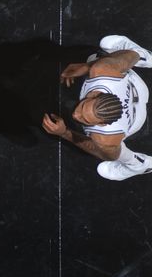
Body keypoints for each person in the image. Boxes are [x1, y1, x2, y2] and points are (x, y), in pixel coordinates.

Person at [42, 35, 152, 181]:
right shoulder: (103, 70)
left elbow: (102, 153)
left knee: (112, 155)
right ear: (95, 96)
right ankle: (148, 58)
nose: (75, 115)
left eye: (85, 119)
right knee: (102, 50)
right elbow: (134, 55)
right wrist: (87, 67)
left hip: (135, 122)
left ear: (102, 124)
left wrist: (65, 133)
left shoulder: (106, 138)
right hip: (138, 87)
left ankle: (138, 164)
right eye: (82, 107)